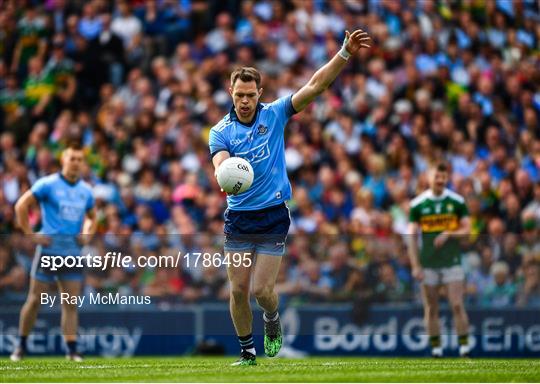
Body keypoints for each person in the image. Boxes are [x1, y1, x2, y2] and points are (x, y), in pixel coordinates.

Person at [208, 30, 371, 366]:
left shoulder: (275, 114)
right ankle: (247, 352)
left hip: (272, 214)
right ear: (231, 92)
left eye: (250, 95)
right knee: (238, 290)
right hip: (239, 218)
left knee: (262, 292)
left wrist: (344, 53)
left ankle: (271, 318)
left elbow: (315, 85)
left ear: (260, 94)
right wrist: (224, 173)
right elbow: (220, 164)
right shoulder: (220, 130)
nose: (245, 101)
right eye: (239, 94)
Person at [10, 143, 97, 362]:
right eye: (72, 159)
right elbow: (21, 206)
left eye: (79, 159)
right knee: (35, 299)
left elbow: (93, 217)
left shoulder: (85, 191)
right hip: (49, 251)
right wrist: (30, 234)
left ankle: (71, 350)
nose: (76, 163)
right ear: (63, 160)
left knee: (70, 303)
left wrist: (87, 234)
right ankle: (20, 346)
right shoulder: (48, 184)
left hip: (73, 253)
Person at [407, 162, 472, 357]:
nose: (440, 180)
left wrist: (449, 234)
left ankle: (464, 348)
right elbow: (411, 236)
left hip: (451, 261)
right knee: (431, 307)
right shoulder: (417, 204)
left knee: (457, 304)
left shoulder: (457, 202)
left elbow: (468, 230)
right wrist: (415, 265)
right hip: (428, 264)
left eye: (443, 176)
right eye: (436, 176)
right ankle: (436, 350)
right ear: (428, 178)